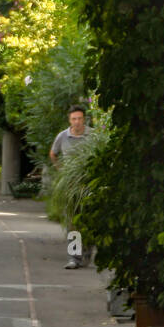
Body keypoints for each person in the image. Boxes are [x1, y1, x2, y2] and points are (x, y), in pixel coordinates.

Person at [49, 104, 93, 269]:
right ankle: (74, 258)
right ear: (69, 120)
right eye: (74, 119)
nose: (77, 122)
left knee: (89, 221)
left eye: (79, 118)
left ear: (84, 119)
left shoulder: (92, 135)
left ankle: (87, 252)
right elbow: (53, 153)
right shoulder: (63, 136)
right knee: (72, 223)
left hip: (88, 185)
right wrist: (61, 171)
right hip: (70, 186)